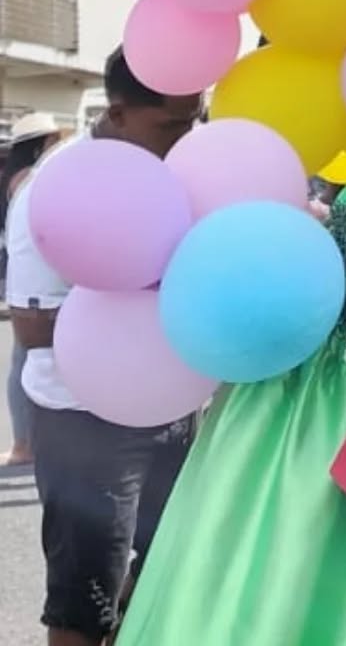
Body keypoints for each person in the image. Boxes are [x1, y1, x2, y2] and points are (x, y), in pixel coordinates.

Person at [6, 48, 202, 646]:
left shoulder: (181, 168)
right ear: (117, 114)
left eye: (194, 121)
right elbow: (30, 326)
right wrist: (140, 301)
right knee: (84, 598)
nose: (185, 138)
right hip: (84, 423)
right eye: (170, 125)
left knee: (172, 568)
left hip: (173, 409)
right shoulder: (57, 187)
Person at [1, 111, 64, 467]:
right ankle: (24, 444)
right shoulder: (31, 179)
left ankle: (24, 443)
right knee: (29, 359)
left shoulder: (16, 176)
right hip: (35, 283)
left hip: (20, 278)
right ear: (43, 142)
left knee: (24, 358)